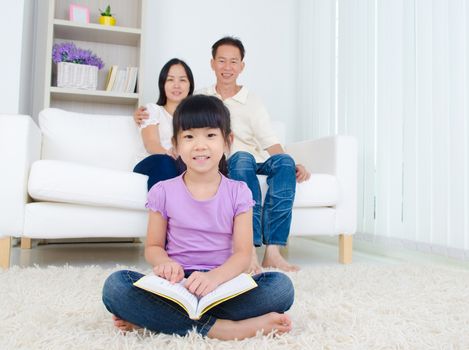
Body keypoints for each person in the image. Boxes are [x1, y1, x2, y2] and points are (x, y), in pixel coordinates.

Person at [103, 95, 294, 339]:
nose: (200, 145)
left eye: (210, 135)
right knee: (116, 286)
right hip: (176, 285)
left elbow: (243, 254)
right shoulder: (162, 191)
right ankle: (225, 329)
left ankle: (157, 321)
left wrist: (215, 278)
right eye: (189, 136)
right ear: (176, 145)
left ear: (228, 142)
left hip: (222, 284)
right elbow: (152, 246)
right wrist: (165, 264)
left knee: (281, 288)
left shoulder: (239, 192)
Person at [135, 38, 311, 273]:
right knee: (241, 157)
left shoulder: (253, 101)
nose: (227, 67)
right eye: (221, 61)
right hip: (234, 160)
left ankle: (273, 251)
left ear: (241, 66)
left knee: (284, 161)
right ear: (212, 63)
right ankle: (248, 253)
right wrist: (143, 114)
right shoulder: (201, 97)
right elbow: (177, 114)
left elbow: (270, 141)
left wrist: (291, 162)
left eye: (233, 62)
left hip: (256, 158)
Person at [133, 58, 194, 190]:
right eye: (170, 80)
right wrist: (170, 154)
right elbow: (151, 143)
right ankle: (160, 210)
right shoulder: (153, 110)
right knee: (167, 162)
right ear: (163, 84)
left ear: (190, 86)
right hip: (154, 163)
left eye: (182, 80)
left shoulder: (194, 119)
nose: (176, 85)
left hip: (181, 165)